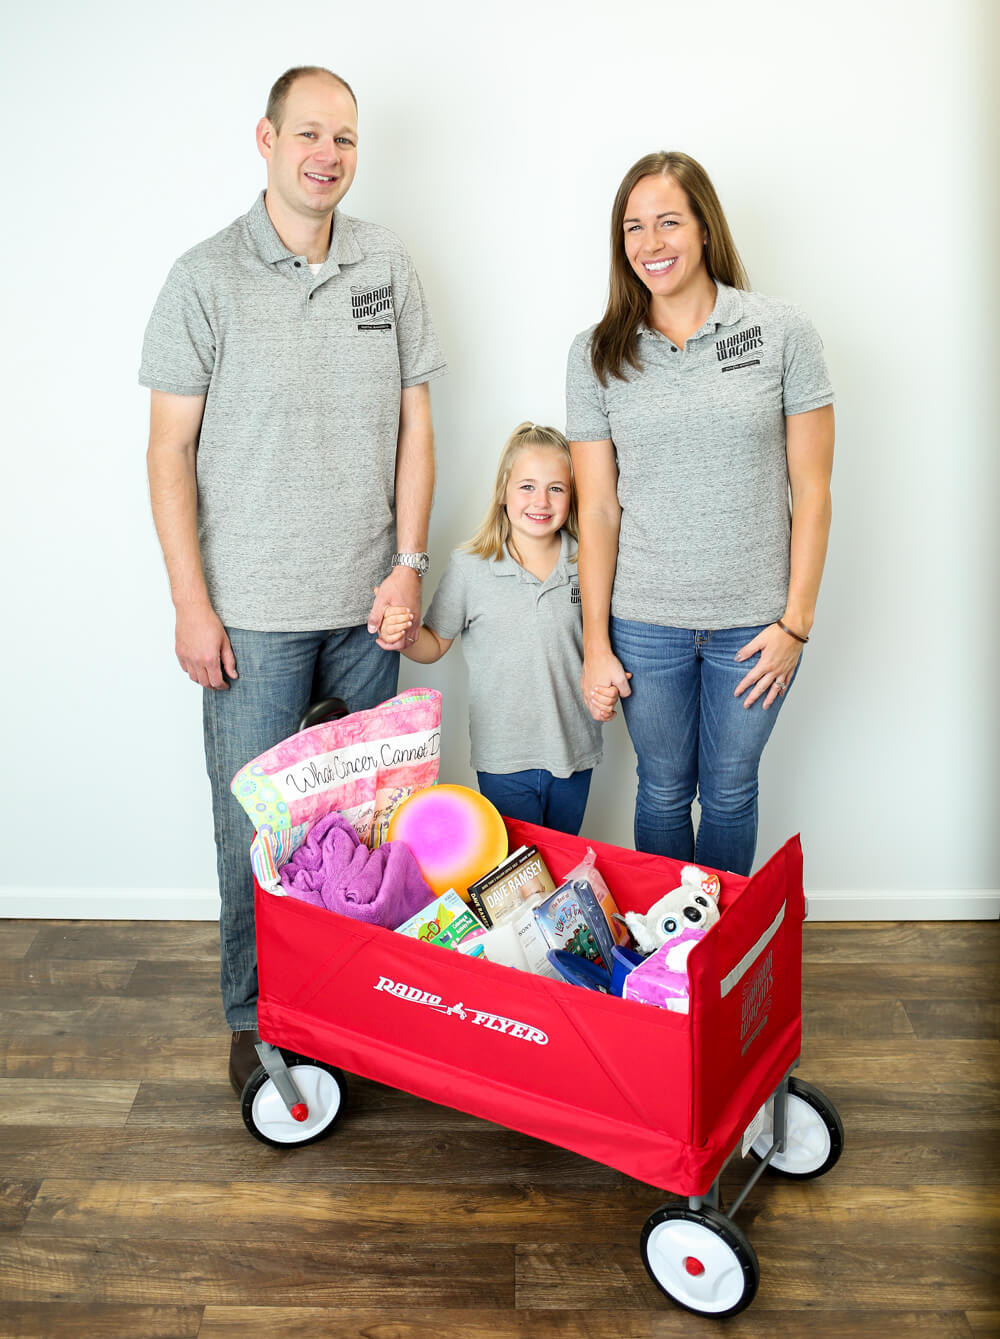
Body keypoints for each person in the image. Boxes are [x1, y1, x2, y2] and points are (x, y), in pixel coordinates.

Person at [140, 66, 446, 1093]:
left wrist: (408, 568)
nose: (328, 154)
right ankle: (259, 1016)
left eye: (345, 139)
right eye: (309, 134)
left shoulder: (386, 265)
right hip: (252, 617)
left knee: (363, 835)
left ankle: (357, 1010)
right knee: (257, 834)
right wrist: (192, 600)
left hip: (370, 609)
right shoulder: (203, 276)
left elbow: (415, 425)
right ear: (265, 140)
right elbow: (167, 450)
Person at [566, 151, 834, 876]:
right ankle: (665, 960)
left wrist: (795, 624)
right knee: (660, 789)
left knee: (728, 789)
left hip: (755, 623)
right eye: (633, 228)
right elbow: (597, 509)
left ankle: (716, 959)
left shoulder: (780, 333)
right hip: (645, 622)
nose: (650, 243)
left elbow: (812, 491)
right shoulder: (597, 355)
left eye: (668, 222)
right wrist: (596, 641)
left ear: (705, 228)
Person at [378, 422, 619, 835]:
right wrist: (403, 638)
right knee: (513, 876)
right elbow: (434, 642)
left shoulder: (589, 563)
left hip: (575, 753)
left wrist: (607, 687)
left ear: (573, 496)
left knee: (559, 866)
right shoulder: (472, 566)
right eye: (527, 486)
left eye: (556, 488)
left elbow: (604, 647)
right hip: (503, 760)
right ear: (504, 491)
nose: (540, 500)